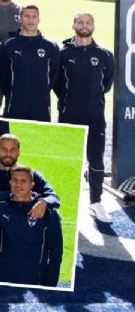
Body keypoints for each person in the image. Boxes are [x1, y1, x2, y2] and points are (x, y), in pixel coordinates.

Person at [55, 12, 114, 222]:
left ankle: (96, 202)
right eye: (80, 22)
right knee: (70, 159)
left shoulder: (105, 55)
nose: (84, 25)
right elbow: (57, 84)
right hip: (69, 114)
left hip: (95, 116)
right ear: (73, 26)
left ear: (93, 26)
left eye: (88, 22)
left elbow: (106, 85)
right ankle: (66, 201)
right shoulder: (62, 54)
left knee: (96, 159)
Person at [0, 165, 62, 287]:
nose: (18, 184)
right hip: (4, 278)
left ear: (32, 185)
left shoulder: (48, 212)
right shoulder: (0, 208)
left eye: (23, 181)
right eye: (15, 180)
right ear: (10, 182)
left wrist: (51, 285)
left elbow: (56, 252)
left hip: (35, 280)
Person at [0, 5, 59, 121]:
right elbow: (2, 76)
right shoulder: (7, 45)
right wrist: (13, 93)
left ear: (39, 20)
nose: (30, 20)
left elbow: (53, 76)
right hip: (15, 105)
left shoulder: (51, 47)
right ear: (19, 19)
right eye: (26, 16)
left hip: (41, 107)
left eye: (34, 17)